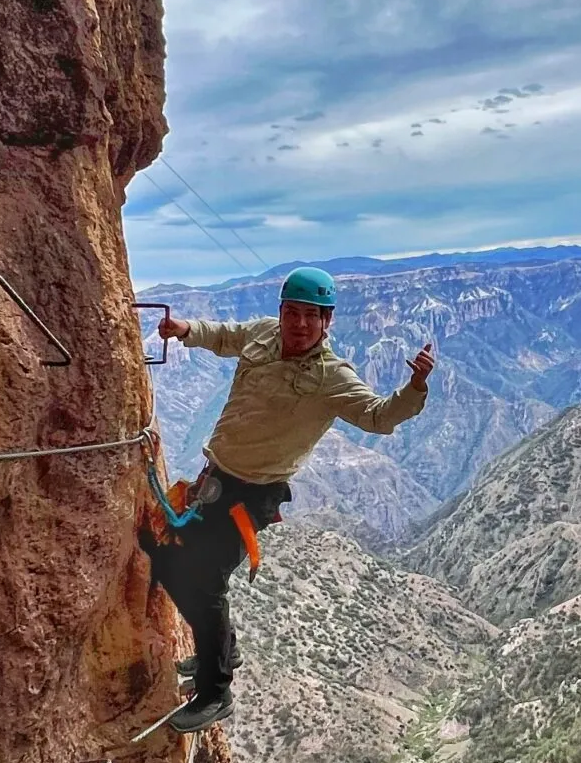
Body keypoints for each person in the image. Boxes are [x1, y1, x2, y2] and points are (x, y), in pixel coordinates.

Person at [143, 266, 437, 732]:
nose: (299, 324)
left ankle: (215, 692)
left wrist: (414, 388)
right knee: (167, 563)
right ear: (282, 312)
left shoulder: (332, 377)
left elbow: (379, 417)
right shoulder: (263, 335)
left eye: (310, 316)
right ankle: (223, 650)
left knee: (205, 580)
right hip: (215, 477)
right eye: (292, 312)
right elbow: (226, 335)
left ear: (327, 322)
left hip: (252, 495)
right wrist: (186, 331)